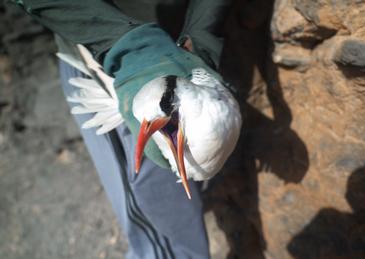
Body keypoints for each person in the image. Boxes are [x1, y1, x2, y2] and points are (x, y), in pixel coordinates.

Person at [12, 0, 231, 258]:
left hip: (176, 45)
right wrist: (124, 45)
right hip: (109, 69)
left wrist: (202, 26)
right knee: (166, 238)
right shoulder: (143, 111)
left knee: (178, 217)